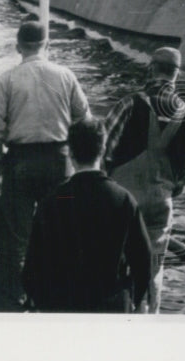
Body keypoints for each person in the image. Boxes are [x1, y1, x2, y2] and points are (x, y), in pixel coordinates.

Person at [0, 21, 91, 311]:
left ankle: (10, 304)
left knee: (13, 239)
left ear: (18, 46)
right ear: (47, 46)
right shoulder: (66, 76)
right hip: (60, 159)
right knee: (60, 231)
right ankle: (58, 299)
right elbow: (85, 120)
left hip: (20, 160)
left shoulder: (8, 80)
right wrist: (78, 161)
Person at [23, 118, 153, 313]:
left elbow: (32, 269)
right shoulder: (123, 200)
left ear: (71, 153)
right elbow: (144, 259)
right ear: (102, 152)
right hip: (111, 309)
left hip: (61, 308)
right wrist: (137, 300)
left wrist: (41, 302)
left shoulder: (51, 202)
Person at [104, 47, 185, 313]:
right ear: (176, 75)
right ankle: (149, 319)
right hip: (160, 203)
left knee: (114, 265)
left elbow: (103, 152)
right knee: (154, 270)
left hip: (122, 202)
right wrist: (165, 188)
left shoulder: (129, 104)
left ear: (151, 68)